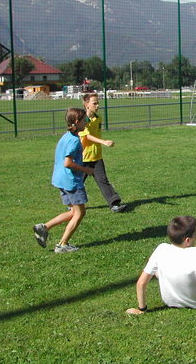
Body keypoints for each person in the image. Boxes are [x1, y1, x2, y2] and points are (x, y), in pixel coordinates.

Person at [126, 215, 196, 320]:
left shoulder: (161, 249)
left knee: (155, 264)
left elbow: (141, 283)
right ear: (187, 240)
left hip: (171, 302)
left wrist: (142, 309)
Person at [33, 108, 95, 253]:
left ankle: (44, 227)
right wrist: (87, 170)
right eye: (85, 119)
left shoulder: (66, 136)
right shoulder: (74, 141)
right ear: (77, 122)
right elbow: (67, 163)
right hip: (71, 181)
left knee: (74, 211)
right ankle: (62, 244)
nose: (87, 121)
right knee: (80, 213)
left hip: (60, 179)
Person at [79, 93, 127, 213]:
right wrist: (103, 142)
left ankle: (114, 204)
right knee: (78, 182)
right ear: (86, 105)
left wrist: (99, 145)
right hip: (83, 158)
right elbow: (87, 136)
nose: (97, 105)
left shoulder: (98, 119)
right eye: (94, 103)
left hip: (96, 157)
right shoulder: (82, 120)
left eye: (98, 102)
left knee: (103, 180)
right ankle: (72, 204)